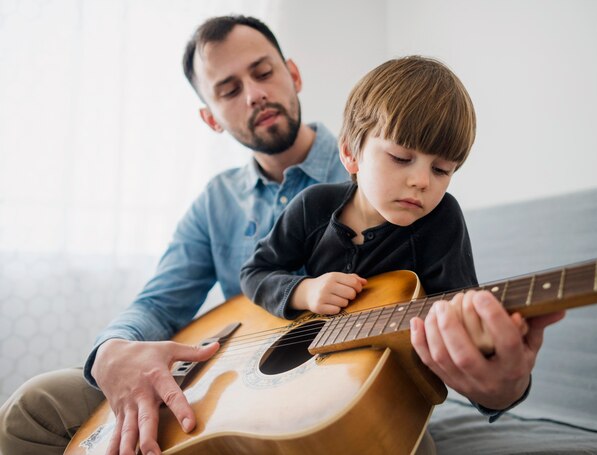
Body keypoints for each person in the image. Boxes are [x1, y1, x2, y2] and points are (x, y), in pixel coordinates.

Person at [0, 15, 349, 455]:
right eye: (229, 90)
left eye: (263, 73)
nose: (255, 94)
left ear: (292, 74)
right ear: (211, 119)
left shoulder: (372, 170)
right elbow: (160, 303)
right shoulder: (216, 199)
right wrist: (113, 350)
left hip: (340, 382)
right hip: (233, 378)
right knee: (33, 408)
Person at [240, 55, 565, 453]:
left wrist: (497, 372)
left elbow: (461, 313)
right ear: (351, 154)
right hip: (303, 391)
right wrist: (303, 292)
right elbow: (255, 271)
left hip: (385, 404)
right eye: (401, 157)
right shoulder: (313, 206)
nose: (421, 181)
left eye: (442, 170)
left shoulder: (441, 221)